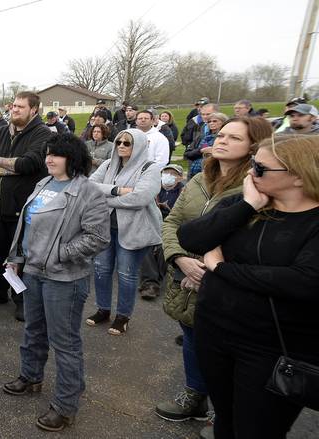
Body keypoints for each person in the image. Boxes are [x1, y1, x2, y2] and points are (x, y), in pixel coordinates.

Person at [177, 135, 319, 439]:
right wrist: (246, 206)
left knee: (257, 430)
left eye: (261, 168)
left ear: (298, 176)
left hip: (273, 347)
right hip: (215, 333)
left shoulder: (313, 221)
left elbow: (304, 282)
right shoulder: (245, 204)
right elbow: (190, 238)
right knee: (224, 420)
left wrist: (221, 267)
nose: (250, 173)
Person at [155, 116, 273, 429]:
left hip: (224, 281)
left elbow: (253, 240)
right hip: (186, 275)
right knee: (193, 337)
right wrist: (180, 258)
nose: (221, 140)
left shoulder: (257, 187)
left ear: (254, 147)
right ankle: (194, 394)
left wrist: (209, 267)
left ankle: (224, 412)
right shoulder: (198, 179)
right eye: (221, 135)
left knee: (228, 349)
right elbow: (171, 223)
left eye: (234, 138)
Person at [3, 133, 110, 433]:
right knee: (33, 329)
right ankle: (31, 376)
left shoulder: (88, 192)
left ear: (72, 159)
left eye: (57, 154)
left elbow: (99, 237)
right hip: (33, 271)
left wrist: (60, 253)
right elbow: (27, 224)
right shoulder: (44, 183)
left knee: (64, 342)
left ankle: (65, 405)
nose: (49, 159)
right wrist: (17, 257)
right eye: (49, 153)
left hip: (64, 278)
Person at [0, 91, 52, 321]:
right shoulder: (0, 132)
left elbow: (29, 164)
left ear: (34, 110)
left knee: (21, 257)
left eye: (20, 107)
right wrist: (9, 167)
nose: (15, 110)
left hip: (24, 209)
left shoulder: (42, 134)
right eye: (14, 106)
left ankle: (23, 300)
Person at [87, 129, 162, 335]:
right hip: (105, 228)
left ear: (137, 145)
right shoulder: (109, 164)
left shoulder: (150, 168)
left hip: (133, 230)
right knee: (101, 271)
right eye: (119, 141)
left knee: (126, 274)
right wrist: (117, 190)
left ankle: (123, 316)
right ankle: (103, 310)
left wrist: (105, 198)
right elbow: (89, 186)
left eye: (127, 143)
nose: (121, 145)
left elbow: (140, 199)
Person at [137, 163, 185, 301]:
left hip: (173, 226)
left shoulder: (184, 192)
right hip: (152, 223)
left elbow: (184, 216)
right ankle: (151, 283)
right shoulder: (154, 189)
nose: (168, 176)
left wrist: (169, 209)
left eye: (173, 174)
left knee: (165, 247)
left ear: (180, 178)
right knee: (147, 245)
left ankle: (152, 283)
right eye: (166, 173)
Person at [185, 113, 229, 178]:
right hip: (197, 171)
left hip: (216, 172)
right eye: (209, 122)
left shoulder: (226, 138)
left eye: (215, 121)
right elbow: (188, 154)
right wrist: (201, 151)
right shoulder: (202, 137)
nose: (211, 123)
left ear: (223, 122)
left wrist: (213, 151)